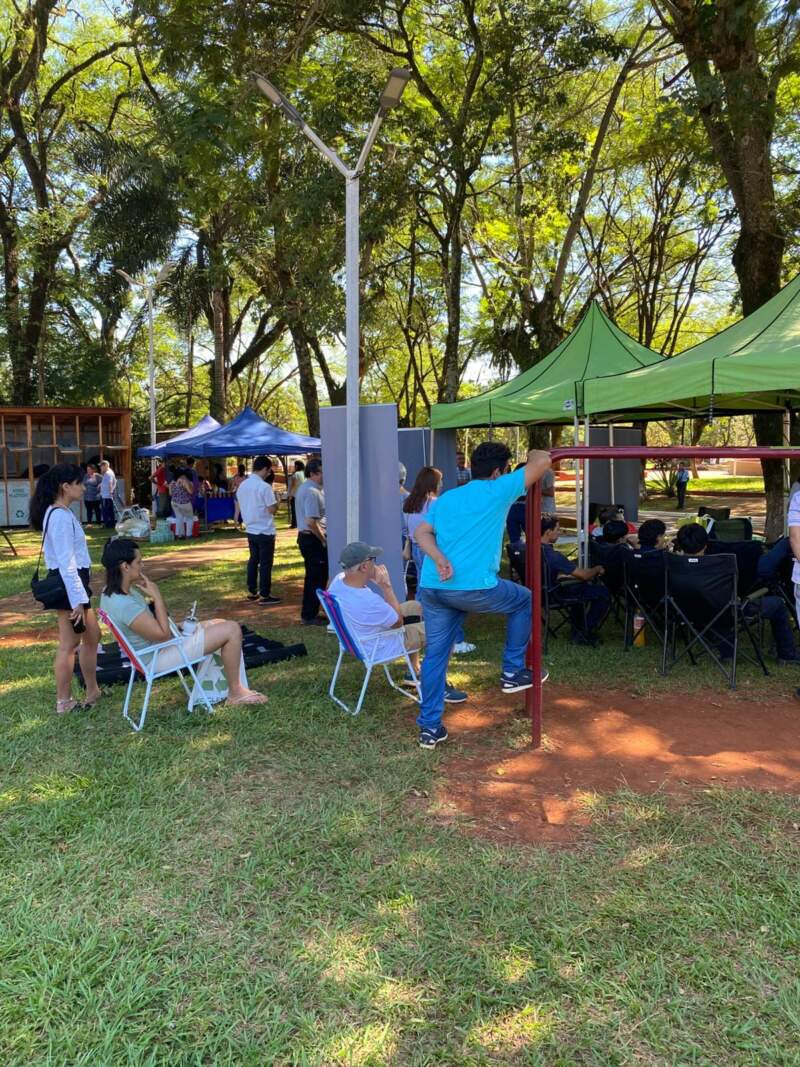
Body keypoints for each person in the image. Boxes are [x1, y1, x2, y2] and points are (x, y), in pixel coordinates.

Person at [413, 442, 551, 749]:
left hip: (434, 587)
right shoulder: (498, 489)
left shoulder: (448, 497)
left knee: (435, 655)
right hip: (473, 587)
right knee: (524, 599)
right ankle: (513, 670)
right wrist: (531, 454)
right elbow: (542, 460)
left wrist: (438, 558)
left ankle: (430, 728)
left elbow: (421, 533)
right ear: (498, 471)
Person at [99, 538, 266, 705]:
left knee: (219, 622)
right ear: (125, 566)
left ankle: (217, 689)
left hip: (157, 648)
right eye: (139, 562)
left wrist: (177, 626)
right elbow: (163, 635)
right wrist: (157, 597)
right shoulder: (124, 604)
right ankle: (235, 692)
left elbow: (150, 627)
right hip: (156, 657)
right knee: (232, 629)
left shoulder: (111, 593)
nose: (142, 565)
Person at [328, 542, 467, 702]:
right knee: (447, 632)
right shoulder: (368, 601)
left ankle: (414, 671)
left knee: (415, 606)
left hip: (357, 639)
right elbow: (398, 623)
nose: (376, 564)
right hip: (380, 646)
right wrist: (386, 587)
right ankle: (437, 685)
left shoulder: (338, 581)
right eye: (373, 559)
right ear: (364, 567)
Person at [30, 463, 103, 715]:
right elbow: (66, 563)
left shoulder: (61, 512)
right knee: (69, 644)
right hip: (69, 586)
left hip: (75, 585)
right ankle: (64, 702)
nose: (84, 487)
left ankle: (93, 690)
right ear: (65, 487)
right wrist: (76, 601)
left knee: (92, 636)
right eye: (79, 483)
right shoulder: (59, 517)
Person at [675, 523, 799, 664]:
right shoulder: (717, 563)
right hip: (725, 612)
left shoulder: (673, 564)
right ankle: (787, 654)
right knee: (777, 604)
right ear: (705, 545)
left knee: (717, 607)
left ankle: (727, 651)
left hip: (687, 612)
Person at [403, 466, 477, 656]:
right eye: (440, 480)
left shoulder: (410, 503)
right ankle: (455, 638)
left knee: (424, 593)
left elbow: (408, 531)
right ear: (433, 483)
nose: (442, 484)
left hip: (417, 549)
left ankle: (420, 632)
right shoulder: (436, 504)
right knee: (447, 592)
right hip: (433, 550)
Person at [541, 516, 610, 645]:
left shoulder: (530, 550)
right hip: (553, 594)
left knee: (577, 587)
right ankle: (584, 632)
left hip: (537, 593)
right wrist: (597, 568)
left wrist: (567, 575)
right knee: (602, 592)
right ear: (548, 532)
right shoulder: (553, 556)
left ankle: (577, 628)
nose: (560, 532)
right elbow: (584, 575)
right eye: (557, 529)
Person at [236, 455, 280, 606]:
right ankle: (265, 594)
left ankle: (252, 590)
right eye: (269, 471)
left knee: (253, 560)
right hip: (265, 530)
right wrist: (278, 501)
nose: (269, 474)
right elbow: (272, 509)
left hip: (251, 529)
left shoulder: (243, 485)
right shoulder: (264, 487)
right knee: (266, 563)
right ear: (265, 469)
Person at [295, 458, 328, 625]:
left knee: (316, 577)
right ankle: (309, 615)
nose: (325, 475)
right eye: (322, 472)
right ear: (314, 473)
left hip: (309, 538)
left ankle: (312, 611)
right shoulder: (311, 492)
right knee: (315, 578)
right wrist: (323, 539)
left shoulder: (310, 488)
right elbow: (311, 522)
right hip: (312, 539)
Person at [169, 469, 195, 538]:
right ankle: (189, 535)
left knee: (179, 518)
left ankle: (179, 534)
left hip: (174, 502)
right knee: (189, 518)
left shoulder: (172, 482)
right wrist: (191, 485)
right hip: (184, 502)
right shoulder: (184, 481)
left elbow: (170, 494)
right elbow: (190, 492)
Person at [287, 460, 305, 529]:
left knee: (294, 510)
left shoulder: (296, 474)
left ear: (297, 466)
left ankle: (294, 524)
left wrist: (290, 495)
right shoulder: (304, 473)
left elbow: (293, 485)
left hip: (295, 495)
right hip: (302, 494)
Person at [99, 460, 117, 528]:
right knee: (110, 510)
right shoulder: (109, 472)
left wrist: (111, 492)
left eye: (101, 466)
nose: (100, 468)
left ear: (105, 466)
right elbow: (113, 481)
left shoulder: (108, 473)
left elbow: (110, 483)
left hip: (106, 496)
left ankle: (107, 524)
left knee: (105, 510)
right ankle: (111, 524)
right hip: (107, 495)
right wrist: (101, 484)